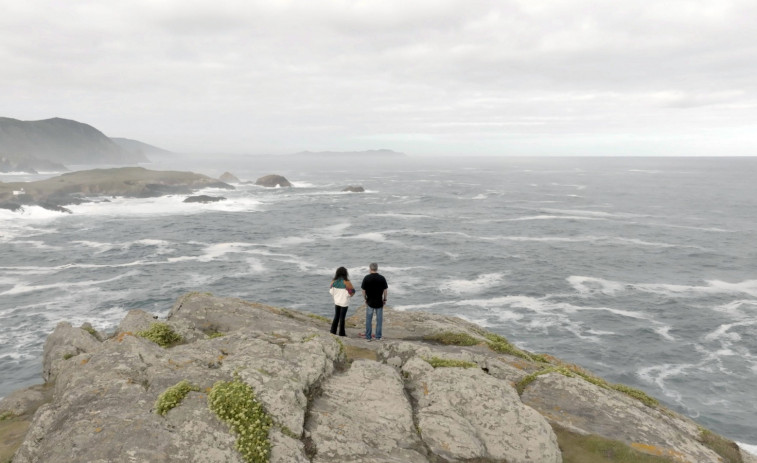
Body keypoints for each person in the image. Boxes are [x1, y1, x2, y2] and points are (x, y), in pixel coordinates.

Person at [361, 262, 388, 342]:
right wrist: (385, 299)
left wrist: (365, 299)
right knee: (379, 320)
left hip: (370, 301)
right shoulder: (382, 278)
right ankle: (378, 337)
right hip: (379, 302)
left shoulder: (366, 278)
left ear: (370, 269)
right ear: (377, 268)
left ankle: (368, 337)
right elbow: (385, 290)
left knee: (369, 320)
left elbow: (363, 290)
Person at [329, 267, 355, 336]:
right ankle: (342, 333)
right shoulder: (347, 282)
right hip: (344, 302)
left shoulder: (333, 282)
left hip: (336, 302)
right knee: (342, 318)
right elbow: (352, 292)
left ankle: (333, 331)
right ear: (345, 273)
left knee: (336, 316)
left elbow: (331, 292)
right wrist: (348, 296)